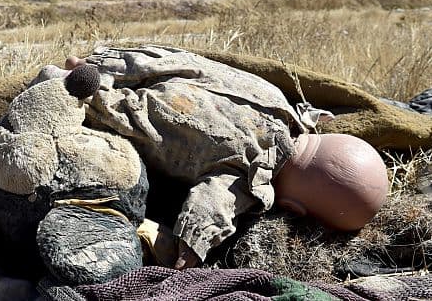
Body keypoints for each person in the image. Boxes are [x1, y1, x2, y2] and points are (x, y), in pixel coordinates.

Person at [59, 45, 389, 268]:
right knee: (109, 109)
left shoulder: (279, 103)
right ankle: (74, 83)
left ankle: (88, 70)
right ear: (294, 209)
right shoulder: (246, 177)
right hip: (123, 107)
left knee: (151, 76)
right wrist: (189, 252)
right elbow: (209, 212)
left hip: (144, 61)